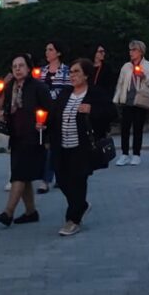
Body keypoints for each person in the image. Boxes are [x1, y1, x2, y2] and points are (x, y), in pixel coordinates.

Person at [49, 58, 115, 236]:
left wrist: (92, 110)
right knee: (62, 180)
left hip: (82, 146)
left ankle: (73, 220)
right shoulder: (65, 93)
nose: (73, 75)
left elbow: (111, 113)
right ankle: (81, 205)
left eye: (76, 72)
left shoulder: (95, 94)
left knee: (78, 181)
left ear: (86, 75)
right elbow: (53, 114)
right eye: (71, 72)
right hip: (62, 145)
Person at [0, 54, 52, 227]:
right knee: (24, 176)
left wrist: (46, 129)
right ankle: (31, 212)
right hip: (17, 137)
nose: (18, 69)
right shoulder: (10, 86)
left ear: (28, 68)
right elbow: (4, 109)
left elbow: (50, 110)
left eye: (21, 65)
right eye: (14, 66)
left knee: (18, 175)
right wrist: (1, 114)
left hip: (33, 138)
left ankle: (8, 213)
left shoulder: (38, 87)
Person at [113, 40, 149, 166]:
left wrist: (144, 76)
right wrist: (117, 99)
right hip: (127, 101)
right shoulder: (126, 66)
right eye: (130, 50)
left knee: (138, 128)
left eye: (134, 50)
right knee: (125, 128)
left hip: (141, 101)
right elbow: (120, 84)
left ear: (141, 52)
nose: (131, 53)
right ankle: (124, 154)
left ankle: (136, 154)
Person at [37, 40, 72, 194]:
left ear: (58, 53)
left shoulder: (66, 71)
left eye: (50, 49)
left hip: (59, 113)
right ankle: (48, 178)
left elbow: (69, 91)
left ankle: (53, 177)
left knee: (57, 144)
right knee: (47, 145)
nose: (47, 52)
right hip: (44, 113)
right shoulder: (41, 71)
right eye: (46, 49)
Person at [90, 44, 117, 137]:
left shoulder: (107, 68)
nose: (103, 54)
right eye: (100, 51)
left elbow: (111, 85)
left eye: (103, 51)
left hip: (102, 101)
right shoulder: (88, 67)